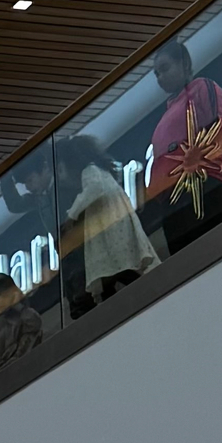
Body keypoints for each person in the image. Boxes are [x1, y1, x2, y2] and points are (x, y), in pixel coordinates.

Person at [145, 36, 222, 252]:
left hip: (203, 181)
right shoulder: (168, 111)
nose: (160, 77)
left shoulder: (202, 87)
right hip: (173, 196)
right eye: (156, 74)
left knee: (207, 248)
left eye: (164, 69)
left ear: (184, 64)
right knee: (185, 257)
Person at [54, 133, 159, 313]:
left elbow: (95, 189)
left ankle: (142, 295)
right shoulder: (99, 171)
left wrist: (71, 215)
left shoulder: (90, 172)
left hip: (112, 232)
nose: (61, 177)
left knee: (118, 267)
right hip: (113, 228)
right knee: (118, 269)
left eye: (61, 169)